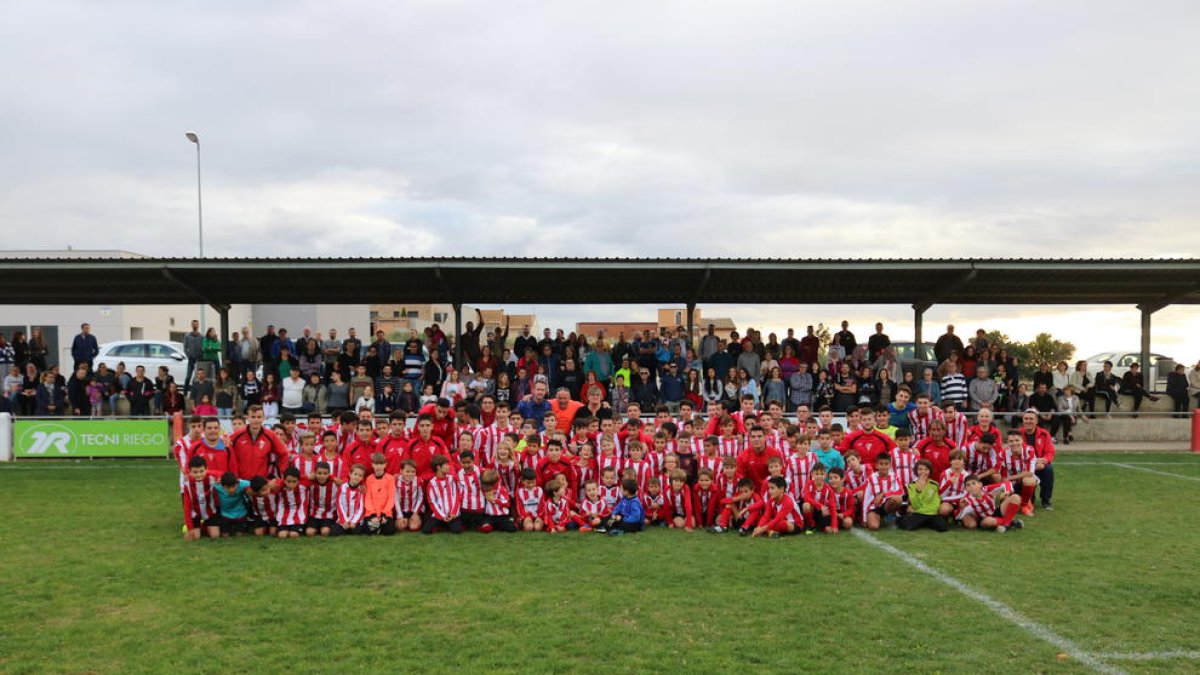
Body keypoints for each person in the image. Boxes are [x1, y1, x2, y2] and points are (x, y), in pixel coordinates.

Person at [899, 459, 948, 532]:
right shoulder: (911, 485)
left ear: (930, 471)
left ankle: (924, 522)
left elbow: (935, 501)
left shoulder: (934, 484)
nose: (923, 472)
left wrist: (931, 510)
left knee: (943, 527)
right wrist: (919, 490)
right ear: (916, 471)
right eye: (920, 469)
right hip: (919, 512)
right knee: (907, 526)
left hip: (931, 513)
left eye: (926, 469)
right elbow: (915, 503)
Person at [183, 457, 221, 540]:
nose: (199, 474)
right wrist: (189, 527)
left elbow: (223, 474)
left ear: (206, 469)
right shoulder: (187, 485)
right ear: (189, 472)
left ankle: (204, 526)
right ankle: (197, 526)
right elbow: (187, 507)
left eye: (201, 471)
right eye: (195, 472)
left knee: (215, 536)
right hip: (195, 513)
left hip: (210, 512)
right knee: (195, 538)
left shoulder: (212, 478)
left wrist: (219, 478)